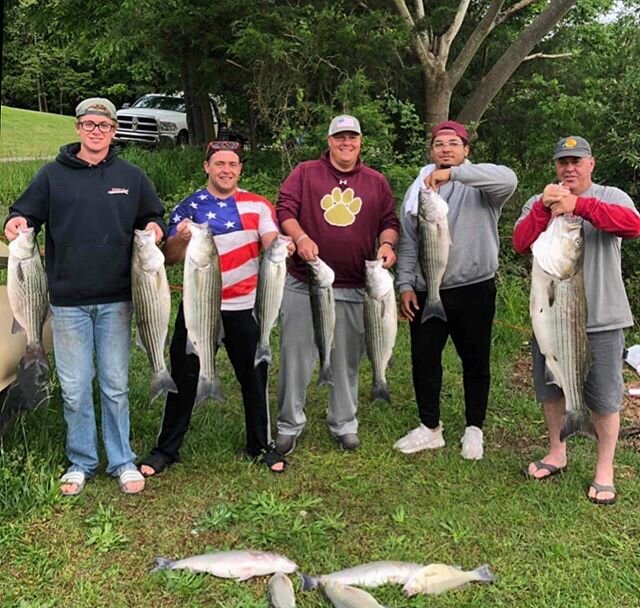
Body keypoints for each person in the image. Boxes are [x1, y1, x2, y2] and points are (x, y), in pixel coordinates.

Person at [4, 97, 166, 496]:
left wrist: (155, 231)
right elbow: (22, 214)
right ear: (77, 128)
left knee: (115, 384)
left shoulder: (131, 175)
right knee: (75, 388)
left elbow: (153, 216)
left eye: (105, 125)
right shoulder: (51, 176)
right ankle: (81, 460)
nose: (97, 131)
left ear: (114, 131)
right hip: (65, 302)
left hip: (118, 299)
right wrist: (16, 223)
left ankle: (122, 459)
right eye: (89, 124)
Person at [139, 140, 292, 477]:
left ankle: (260, 444)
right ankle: (166, 449)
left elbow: (270, 240)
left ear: (240, 169)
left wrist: (281, 246)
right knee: (182, 376)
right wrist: (178, 237)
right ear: (207, 167)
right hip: (198, 308)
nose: (226, 170)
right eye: (219, 163)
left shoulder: (257, 205)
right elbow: (169, 258)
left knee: (254, 379)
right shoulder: (189, 206)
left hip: (245, 307)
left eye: (233, 164)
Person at [513, 135, 640, 505]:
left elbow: (632, 226)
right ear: (556, 165)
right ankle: (557, 451)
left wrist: (578, 206)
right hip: (550, 317)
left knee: (604, 396)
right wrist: (544, 208)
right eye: (562, 162)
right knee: (552, 387)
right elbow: (520, 242)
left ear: (591, 164)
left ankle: (605, 469)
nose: (569, 168)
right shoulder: (540, 201)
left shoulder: (611, 196)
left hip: (603, 318)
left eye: (576, 161)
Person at [274, 114, 399, 455]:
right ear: (329, 141)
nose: (347, 143)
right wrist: (299, 237)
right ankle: (288, 424)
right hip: (306, 281)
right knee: (295, 356)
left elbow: (389, 221)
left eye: (353, 137)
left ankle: (344, 422)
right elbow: (284, 208)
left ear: (361, 141)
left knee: (346, 359)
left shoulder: (376, 181)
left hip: (357, 287)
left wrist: (387, 245)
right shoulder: (305, 173)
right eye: (340, 137)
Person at [394, 120, 517, 460]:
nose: (445, 149)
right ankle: (429, 427)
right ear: (431, 151)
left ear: (466, 150)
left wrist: (454, 174)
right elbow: (407, 240)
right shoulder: (418, 188)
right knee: (424, 360)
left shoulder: (482, 185)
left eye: (453, 143)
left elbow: (510, 178)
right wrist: (405, 283)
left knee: (475, 360)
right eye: (439, 144)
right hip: (426, 288)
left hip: (474, 288)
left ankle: (474, 428)